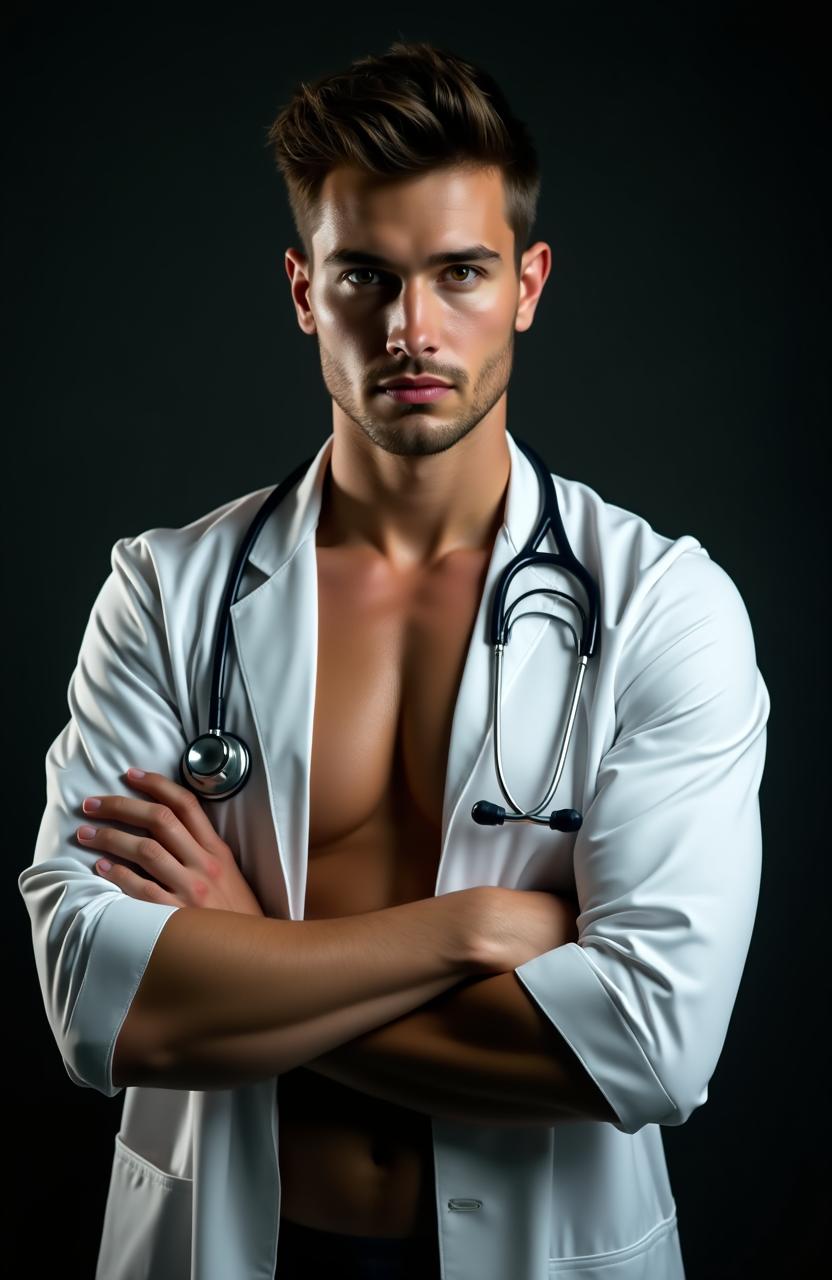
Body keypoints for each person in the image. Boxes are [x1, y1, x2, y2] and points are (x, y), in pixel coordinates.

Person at [18, 39, 770, 1280]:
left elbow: (651, 1046)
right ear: (305, 289)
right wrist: (469, 929)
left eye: (459, 274)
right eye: (365, 275)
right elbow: (94, 996)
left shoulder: (661, 607)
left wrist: (246, 950)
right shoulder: (166, 591)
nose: (411, 327)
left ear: (527, 282)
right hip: (230, 1244)